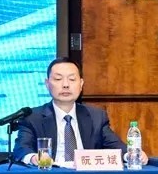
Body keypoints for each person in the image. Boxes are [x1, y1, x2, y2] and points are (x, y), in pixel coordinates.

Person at [13, 57, 147, 166]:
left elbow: (115, 145)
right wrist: (34, 157)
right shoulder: (33, 117)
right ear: (47, 84)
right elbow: (21, 148)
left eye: (72, 79)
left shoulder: (96, 116)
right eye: (58, 79)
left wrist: (131, 155)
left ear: (81, 84)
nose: (65, 85)